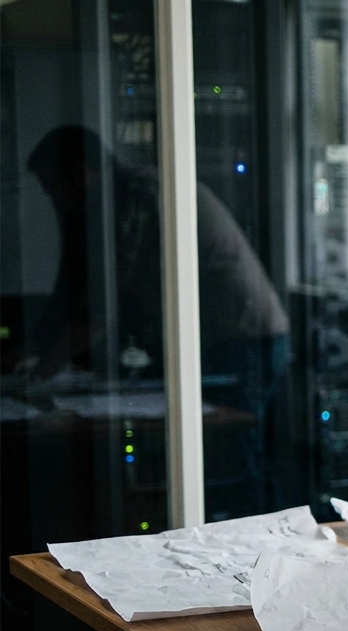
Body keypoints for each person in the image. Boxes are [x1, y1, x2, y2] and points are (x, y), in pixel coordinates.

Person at [24, 125, 290, 518]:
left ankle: (254, 564)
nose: (53, 199)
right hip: (221, 340)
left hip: (242, 339)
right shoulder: (103, 205)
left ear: (80, 174)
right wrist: (31, 348)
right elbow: (72, 284)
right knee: (225, 462)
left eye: (52, 187)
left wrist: (48, 364)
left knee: (232, 465)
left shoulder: (137, 193)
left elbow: (103, 304)